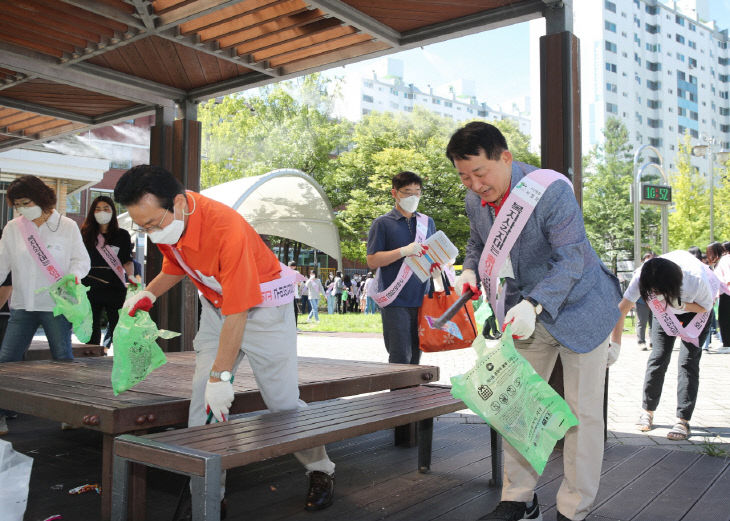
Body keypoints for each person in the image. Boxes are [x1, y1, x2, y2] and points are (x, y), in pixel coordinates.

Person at [114, 165, 335, 517]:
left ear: (181, 203)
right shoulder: (172, 226)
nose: (152, 234)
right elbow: (176, 266)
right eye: (143, 228)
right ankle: (207, 492)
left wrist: (222, 377)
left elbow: (240, 311)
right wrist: (149, 294)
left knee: (282, 403)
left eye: (154, 224)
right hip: (218, 309)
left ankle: (320, 468)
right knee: (202, 406)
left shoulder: (225, 228)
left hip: (263, 311)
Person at [446, 122, 621, 521]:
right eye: (464, 176)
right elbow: (477, 244)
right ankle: (519, 499)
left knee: (582, 415)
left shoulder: (549, 191)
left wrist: (536, 304)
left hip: (580, 310)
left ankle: (573, 509)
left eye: (480, 173)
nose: (474, 184)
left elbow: (572, 257)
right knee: (517, 407)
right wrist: (469, 272)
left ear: (505, 157)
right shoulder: (476, 200)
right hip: (523, 315)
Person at [0, 175, 90, 435]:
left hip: (56, 305)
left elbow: (80, 260)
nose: (23, 208)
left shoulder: (67, 226)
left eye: (26, 202)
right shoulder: (13, 228)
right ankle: (3, 412)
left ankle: (69, 413)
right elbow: (2, 264)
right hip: (22, 305)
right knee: (7, 360)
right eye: (18, 204)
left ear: (41, 199)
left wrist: (71, 278)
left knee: (62, 358)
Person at [612, 250, 715, 442]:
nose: (654, 294)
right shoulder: (643, 275)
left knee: (688, 362)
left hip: (694, 310)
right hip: (665, 311)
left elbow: (706, 307)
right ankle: (647, 410)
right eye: (652, 292)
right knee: (658, 357)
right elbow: (622, 309)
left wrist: (682, 305)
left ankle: (683, 419)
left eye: (658, 291)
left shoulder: (695, 279)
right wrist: (615, 345)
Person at [367, 171, 435, 365]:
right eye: (406, 192)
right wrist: (403, 251)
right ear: (394, 193)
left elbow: (432, 252)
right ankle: (397, 396)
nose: (413, 197)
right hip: (394, 298)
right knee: (399, 356)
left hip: (422, 296)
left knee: (416, 355)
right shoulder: (382, 224)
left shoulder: (427, 222)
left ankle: (413, 395)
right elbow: (372, 260)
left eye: (417, 192)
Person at [80, 195, 135, 350]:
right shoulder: (85, 234)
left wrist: (133, 280)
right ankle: (91, 360)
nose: (102, 212)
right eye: (98, 209)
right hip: (90, 286)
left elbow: (127, 260)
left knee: (118, 327)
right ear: (92, 212)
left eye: (106, 208)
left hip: (115, 286)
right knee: (91, 329)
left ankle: (119, 361)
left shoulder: (122, 235)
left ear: (112, 211)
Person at [635, 252, 656, 351]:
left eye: (651, 258)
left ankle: (653, 342)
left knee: (654, 323)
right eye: (647, 258)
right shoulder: (638, 271)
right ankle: (641, 342)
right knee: (642, 322)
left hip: (654, 301)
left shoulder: (657, 272)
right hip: (641, 301)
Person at [714, 241, 730, 353]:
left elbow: (728, 277)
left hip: (726, 293)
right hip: (726, 292)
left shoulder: (725, 259)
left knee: (724, 320)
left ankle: (727, 344)